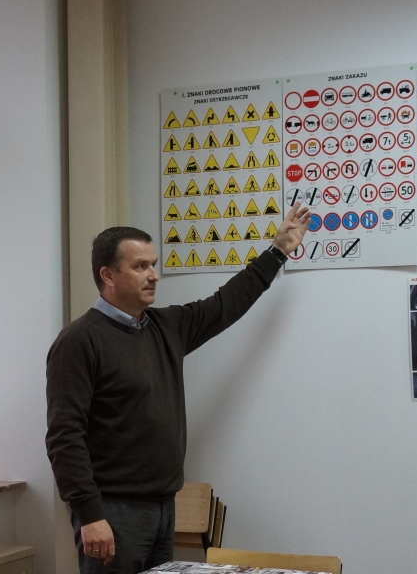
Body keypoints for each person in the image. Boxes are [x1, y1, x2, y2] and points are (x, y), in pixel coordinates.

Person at [46, 204, 311, 574]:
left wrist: (277, 251)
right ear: (108, 275)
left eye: (153, 264)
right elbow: (64, 435)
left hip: (162, 508)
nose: (154, 275)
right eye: (140, 266)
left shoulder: (166, 327)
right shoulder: (79, 341)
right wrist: (89, 514)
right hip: (113, 512)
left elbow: (225, 304)